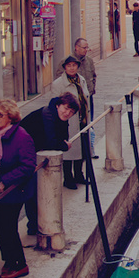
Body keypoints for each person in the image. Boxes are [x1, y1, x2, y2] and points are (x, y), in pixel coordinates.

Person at [0, 99, 36, 278]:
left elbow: (28, 166)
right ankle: (9, 260)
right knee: (0, 225)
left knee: (7, 226)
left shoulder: (22, 137)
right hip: (1, 189)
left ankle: (20, 264)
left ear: (11, 116)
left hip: (16, 189)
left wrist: (5, 181)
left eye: (0, 115)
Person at [21, 93, 79, 238]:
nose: (67, 113)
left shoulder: (59, 116)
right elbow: (53, 143)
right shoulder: (48, 114)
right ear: (58, 105)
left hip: (36, 150)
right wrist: (64, 146)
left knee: (36, 189)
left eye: (71, 112)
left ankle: (35, 224)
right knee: (32, 189)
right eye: (65, 109)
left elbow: (61, 138)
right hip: (24, 152)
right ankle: (33, 225)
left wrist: (62, 144)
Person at [51, 56, 89, 188]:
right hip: (67, 121)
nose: (72, 68)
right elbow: (54, 104)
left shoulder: (81, 80)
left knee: (82, 149)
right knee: (68, 150)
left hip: (82, 119)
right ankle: (68, 178)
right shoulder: (58, 84)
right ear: (65, 68)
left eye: (74, 65)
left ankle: (79, 174)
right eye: (69, 65)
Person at [73, 37, 98, 157]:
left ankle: (90, 149)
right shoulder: (69, 62)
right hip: (76, 100)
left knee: (90, 123)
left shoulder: (89, 60)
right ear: (76, 48)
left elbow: (93, 75)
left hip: (89, 98)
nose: (86, 50)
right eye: (84, 48)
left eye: (87, 47)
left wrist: (92, 88)